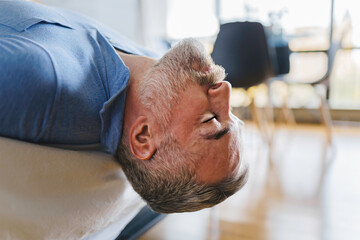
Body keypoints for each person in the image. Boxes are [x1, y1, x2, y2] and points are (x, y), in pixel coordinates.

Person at [0, 0, 248, 214]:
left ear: (143, 136)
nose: (224, 89)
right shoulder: (154, 65)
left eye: (210, 119)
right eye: (233, 114)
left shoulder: (44, 83)